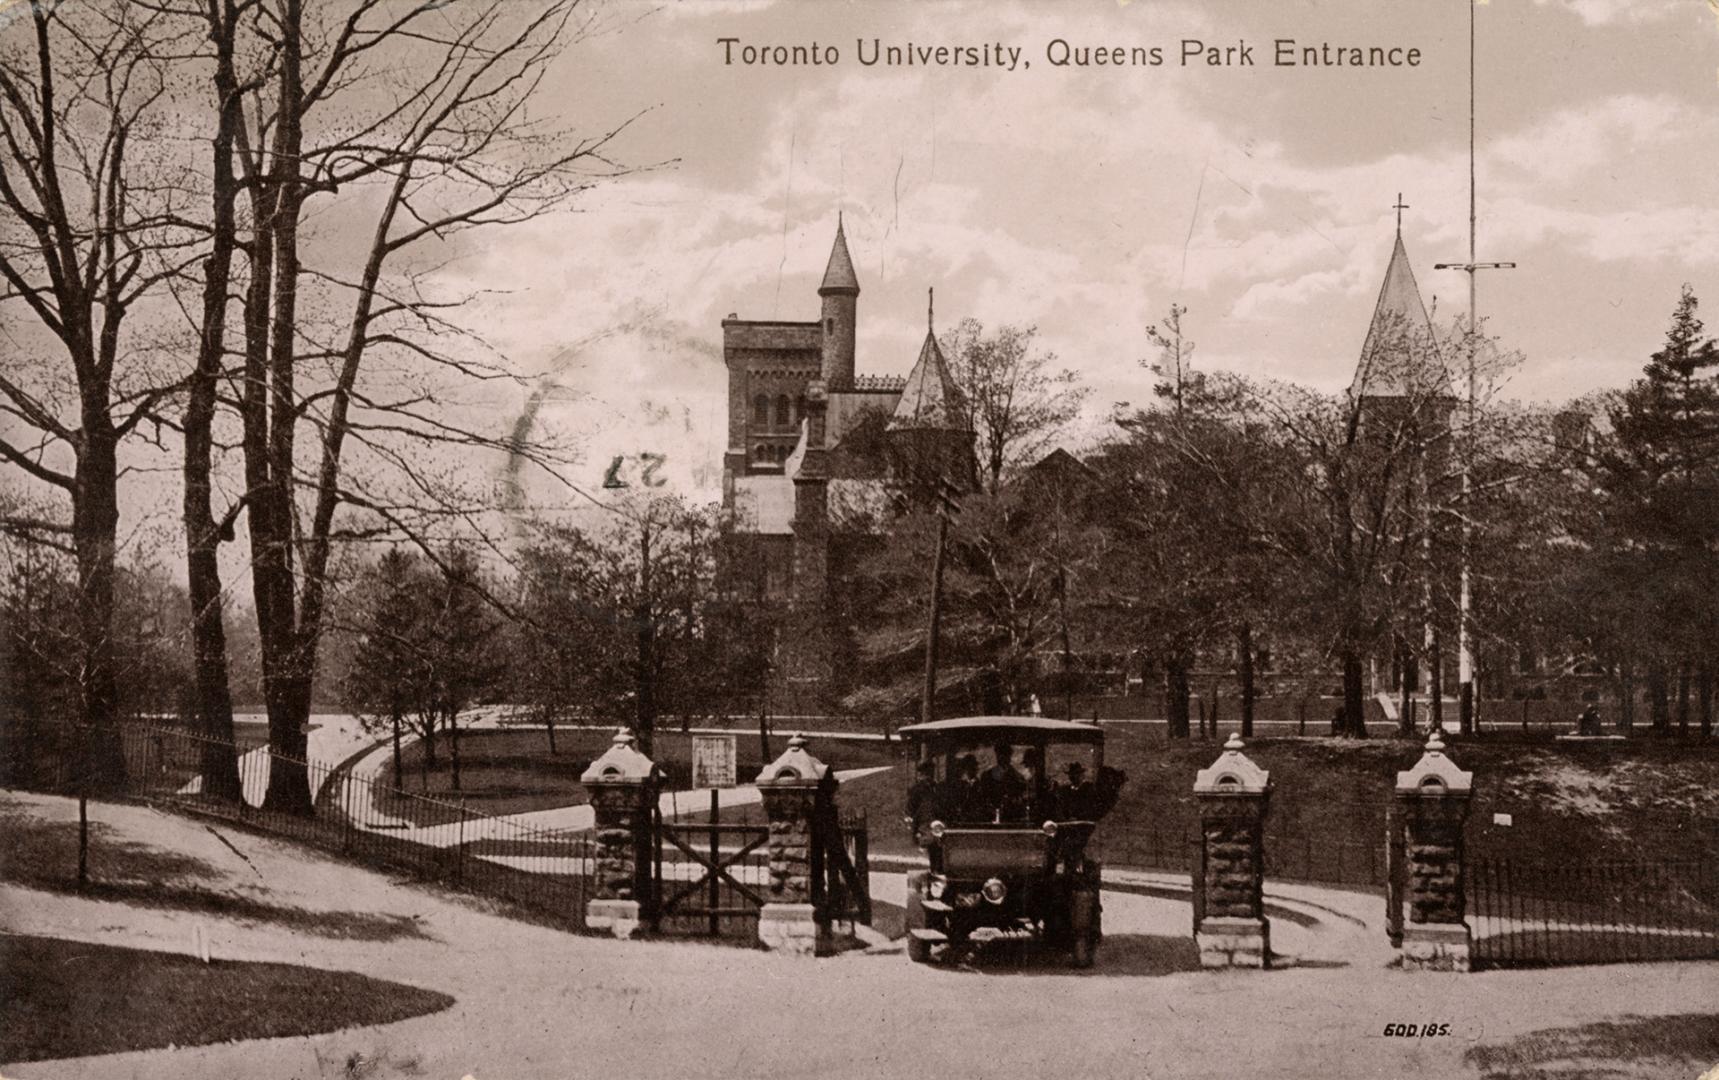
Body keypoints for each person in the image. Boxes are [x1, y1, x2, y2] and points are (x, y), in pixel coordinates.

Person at [979, 741, 1028, 822]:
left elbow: (1021, 798)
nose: (1003, 757)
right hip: (990, 817)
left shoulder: (1018, 777)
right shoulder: (986, 776)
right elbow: (983, 798)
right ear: (997, 755)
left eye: (1006, 754)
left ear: (1010, 756)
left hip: (1012, 818)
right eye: (1001, 754)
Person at [905, 759, 941, 837]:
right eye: (926, 774)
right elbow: (910, 808)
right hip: (922, 824)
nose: (928, 777)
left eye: (930, 774)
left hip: (938, 822)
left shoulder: (938, 787)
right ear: (921, 775)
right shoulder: (916, 789)